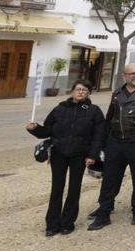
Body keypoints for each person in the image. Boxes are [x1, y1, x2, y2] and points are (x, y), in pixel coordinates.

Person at [88, 64, 135, 230]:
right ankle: (104, 212)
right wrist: (104, 142)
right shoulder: (117, 93)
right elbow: (110, 117)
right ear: (124, 76)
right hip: (115, 142)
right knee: (110, 179)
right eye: (132, 74)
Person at [26, 80, 104, 235]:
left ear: (89, 93)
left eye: (85, 90)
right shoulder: (59, 109)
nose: (81, 92)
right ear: (72, 91)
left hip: (80, 154)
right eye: (78, 89)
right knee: (56, 189)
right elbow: (47, 130)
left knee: (74, 189)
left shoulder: (94, 111)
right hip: (58, 153)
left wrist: (92, 155)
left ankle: (67, 222)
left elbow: (99, 136)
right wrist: (35, 129)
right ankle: (52, 224)